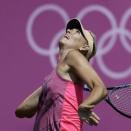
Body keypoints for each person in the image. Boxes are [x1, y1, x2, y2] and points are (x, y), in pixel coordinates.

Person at [15, 18, 107, 131]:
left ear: (84, 47)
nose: (69, 31)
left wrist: (84, 106)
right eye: (70, 29)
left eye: (77, 32)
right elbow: (21, 110)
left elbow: (100, 88)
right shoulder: (51, 80)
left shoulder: (73, 55)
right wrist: (46, 90)